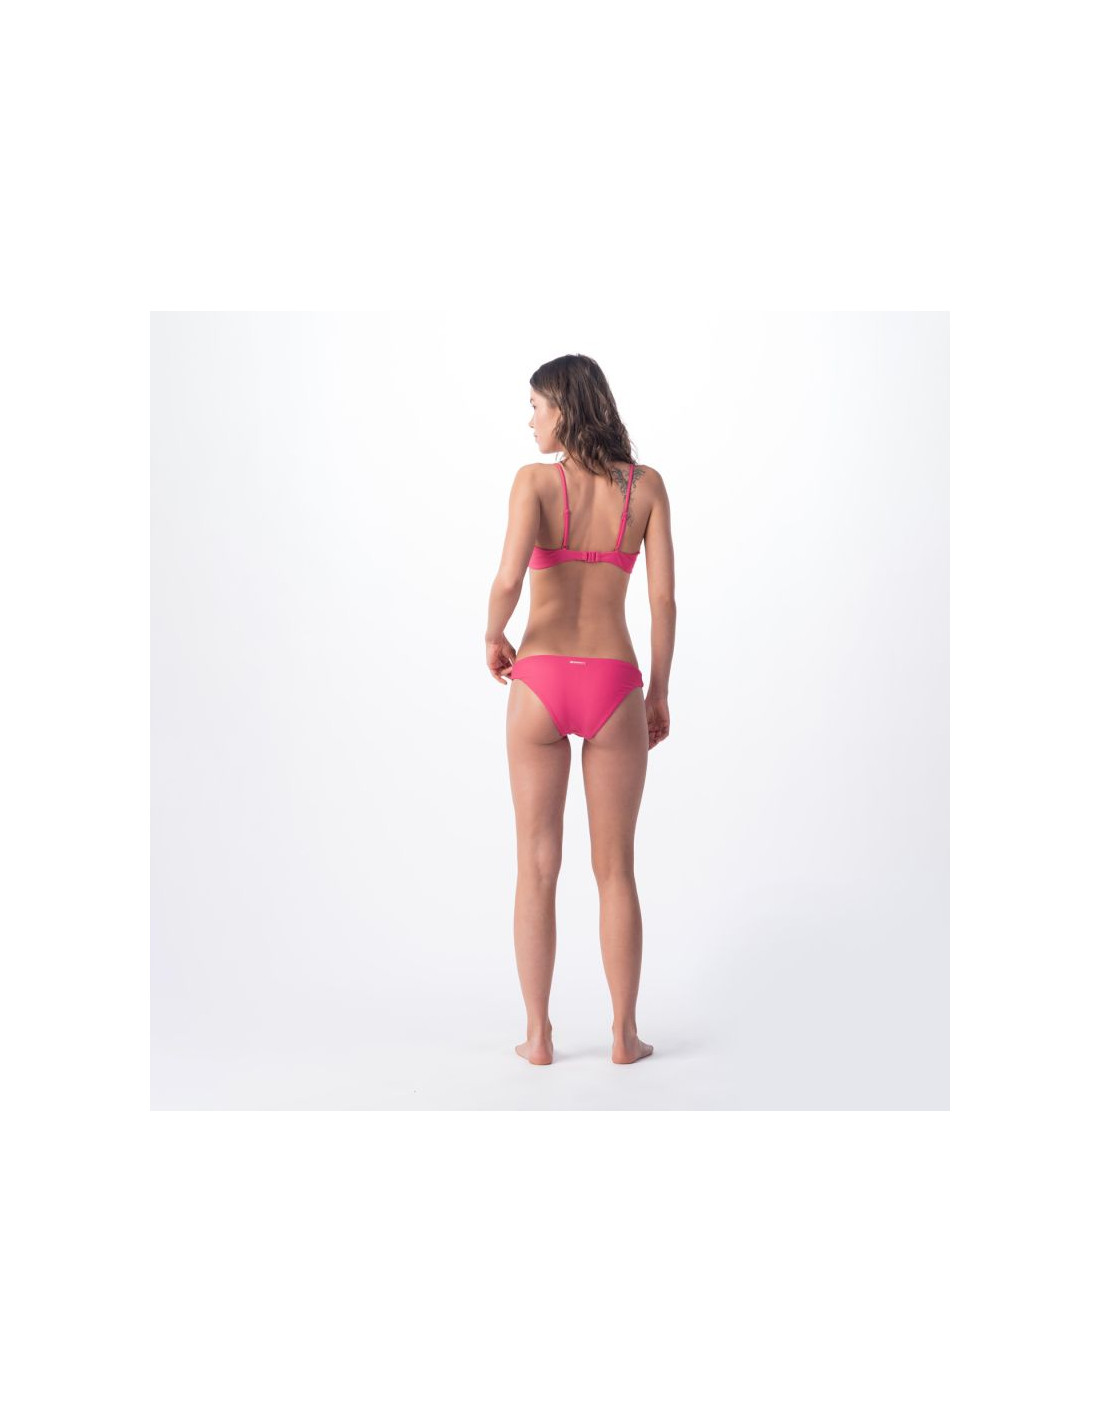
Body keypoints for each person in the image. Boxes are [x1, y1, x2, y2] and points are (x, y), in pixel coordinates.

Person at [484, 354, 676, 1066]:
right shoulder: (645, 487)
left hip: (538, 680)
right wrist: (658, 691)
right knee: (616, 869)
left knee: (536, 866)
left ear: (562, 409)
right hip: (614, 684)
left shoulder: (534, 483)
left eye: (536, 405)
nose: (530, 420)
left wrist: (492, 634)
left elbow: (509, 578)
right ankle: (624, 1035)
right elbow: (663, 600)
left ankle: (538, 1037)